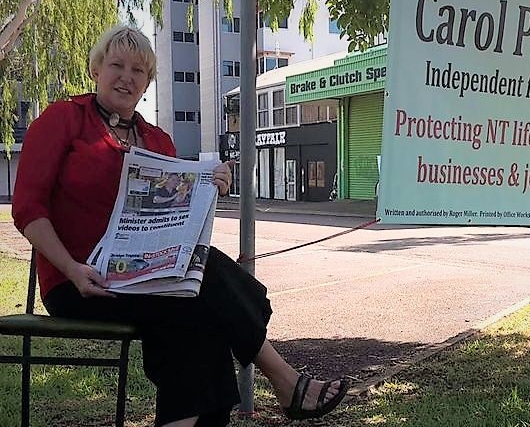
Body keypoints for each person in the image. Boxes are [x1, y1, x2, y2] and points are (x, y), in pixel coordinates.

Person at [12, 25, 348, 427]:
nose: (126, 76)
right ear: (96, 69)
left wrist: (211, 186)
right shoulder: (64, 119)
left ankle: (277, 385)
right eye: (116, 65)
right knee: (204, 293)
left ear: (148, 83)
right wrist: (72, 269)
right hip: (80, 280)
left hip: (150, 277)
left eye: (138, 70)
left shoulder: (157, 141)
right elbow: (28, 209)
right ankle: (285, 379)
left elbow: (182, 222)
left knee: (197, 319)